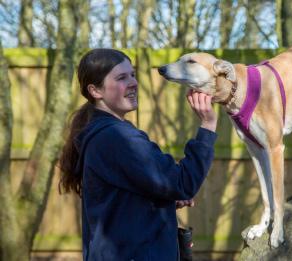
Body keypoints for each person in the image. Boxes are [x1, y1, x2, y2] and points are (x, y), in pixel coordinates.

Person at [59, 48, 218, 260]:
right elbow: (183, 183)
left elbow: (123, 199)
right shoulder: (117, 138)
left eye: (132, 74)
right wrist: (208, 125)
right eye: (121, 77)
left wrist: (167, 198)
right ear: (96, 91)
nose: (133, 82)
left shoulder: (107, 134)